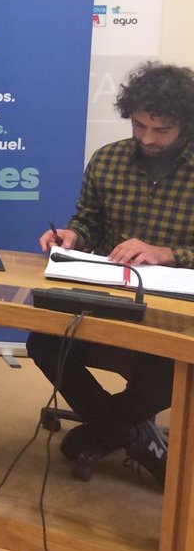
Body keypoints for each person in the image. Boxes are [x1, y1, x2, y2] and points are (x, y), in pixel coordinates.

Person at [27, 62, 194, 488]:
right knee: (45, 342)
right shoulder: (109, 159)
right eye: (139, 125)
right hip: (113, 296)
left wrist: (167, 254)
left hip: (178, 308)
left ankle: (105, 431)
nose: (147, 138)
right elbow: (88, 222)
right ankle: (131, 433)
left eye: (161, 130)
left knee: (167, 366)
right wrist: (72, 236)